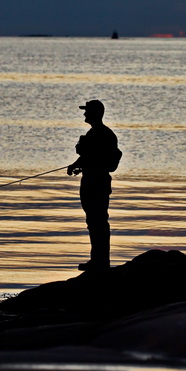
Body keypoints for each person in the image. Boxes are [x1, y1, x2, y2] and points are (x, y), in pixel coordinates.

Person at [67, 100, 119, 271]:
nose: (84, 114)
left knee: (98, 221)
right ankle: (97, 259)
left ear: (96, 113)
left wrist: (82, 158)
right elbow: (87, 157)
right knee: (93, 221)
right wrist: (75, 165)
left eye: (87, 111)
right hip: (91, 180)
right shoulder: (96, 133)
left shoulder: (103, 134)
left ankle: (101, 261)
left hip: (97, 182)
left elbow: (96, 158)